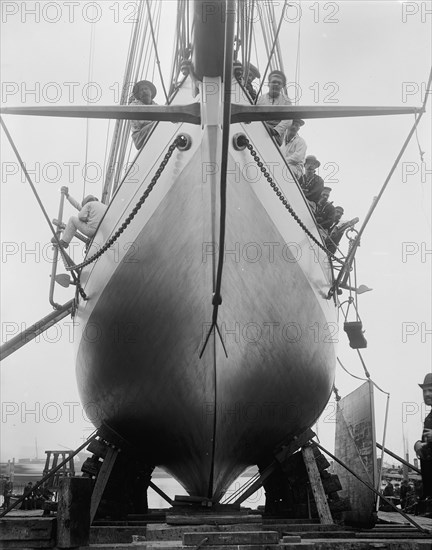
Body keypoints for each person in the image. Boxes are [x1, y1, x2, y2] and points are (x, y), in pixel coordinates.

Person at [256, 69, 292, 145]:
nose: (276, 84)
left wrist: (276, 130)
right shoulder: (260, 99)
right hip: (259, 129)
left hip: (275, 135)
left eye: (279, 83)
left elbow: (289, 119)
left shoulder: (286, 101)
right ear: (268, 84)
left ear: (282, 86)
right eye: (274, 82)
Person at [414, 373, 432, 500]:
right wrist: (418, 444)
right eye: (424, 391)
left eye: (430, 390)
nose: (426, 394)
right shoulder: (428, 418)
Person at [129, 79, 158, 149]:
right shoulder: (133, 106)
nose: (144, 91)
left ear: (151, 92)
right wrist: (157, 121)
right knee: (161, 122)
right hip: (139, 136)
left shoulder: (157, 106)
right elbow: (140, 123)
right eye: (141, 90)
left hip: (155, 131)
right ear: (138, 95)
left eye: (146, 89)